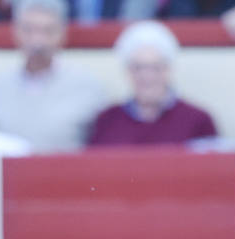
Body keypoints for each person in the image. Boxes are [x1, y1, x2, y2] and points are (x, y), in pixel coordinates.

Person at [0, 0, 105, 154]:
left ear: (62, 34)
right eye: (29, 30)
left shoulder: (89, 90)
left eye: (48, 31)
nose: (38, 41)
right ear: (15, 32)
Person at [87, 21, 217, 148]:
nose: (147, 76)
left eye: (155, 67)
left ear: (168, 69)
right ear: (128, 72)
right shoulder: (106, 121)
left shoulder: (198, 121)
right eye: (138, 68)